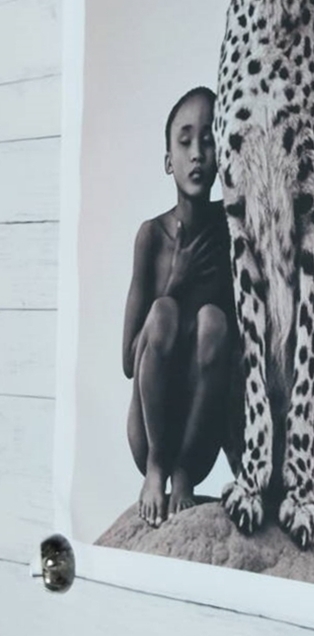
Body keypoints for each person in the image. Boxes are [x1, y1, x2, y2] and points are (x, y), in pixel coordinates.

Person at [122, 86, 235, 527]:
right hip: (150, 434)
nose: (197, 154)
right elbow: (128, 361)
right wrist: (177, 281)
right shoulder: (151, 236)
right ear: (168, 160)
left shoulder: (231, 230)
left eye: (209, 140)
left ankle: (183, 474)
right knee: (165, 311)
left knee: (213, 321)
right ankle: (158, 471)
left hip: (199, 439)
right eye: (185, 142)